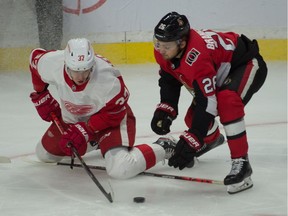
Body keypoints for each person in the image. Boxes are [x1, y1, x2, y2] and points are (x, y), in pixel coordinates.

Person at [151, 12, 267, 194]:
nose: (160, 49)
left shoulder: (197, 56)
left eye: (166, 45)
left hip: (245, 64)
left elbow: (208, 102)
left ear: (181, 42)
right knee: (193, 119)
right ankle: (211, 140)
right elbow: (170, 77)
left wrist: (194, 137)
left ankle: (242, 164)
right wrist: (167, 108)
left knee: (227, 101)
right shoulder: (165, 50)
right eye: (157, 43)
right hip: (220, 70)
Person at [29, 38, 176, 179]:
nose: (81, 76)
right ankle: (97, 142)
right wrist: (41, 94)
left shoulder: (108, 79)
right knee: (45, 154)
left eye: (86, 70)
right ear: (66, 64)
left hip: (110, 122)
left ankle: (164, 146)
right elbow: (34, 59)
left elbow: (114, 115)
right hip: (75, 118)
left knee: (121, 169)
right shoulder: (53, 62)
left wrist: (87, 128)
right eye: (76, 71)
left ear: (92, 64)